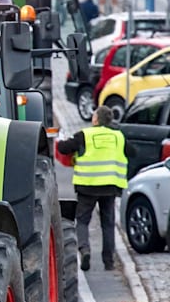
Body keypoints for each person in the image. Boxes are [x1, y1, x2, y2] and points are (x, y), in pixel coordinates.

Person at [56, 105, 135, 271]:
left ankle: (84, 250)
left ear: (96, 119)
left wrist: (60, 139)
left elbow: (63, 148)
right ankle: (109, 262)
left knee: (83, 221)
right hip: (110, 187)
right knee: (108, 224)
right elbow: (132, 152)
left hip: (88, 186)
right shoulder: (118, 136)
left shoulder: (85, 135)